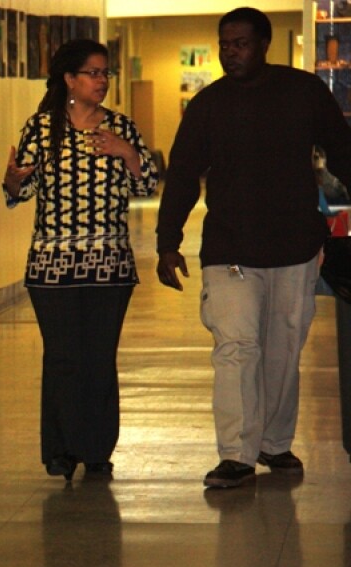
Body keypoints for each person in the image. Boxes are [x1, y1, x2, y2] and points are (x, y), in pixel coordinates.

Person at [155, 7, 351, 488]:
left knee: (284, 350)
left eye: (239, 43)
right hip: (230, 250)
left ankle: (274, 444)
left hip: (295, 248)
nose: (229, 52)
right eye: (224, 44)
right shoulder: (208, 105)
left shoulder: (304, 92)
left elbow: (344, 152)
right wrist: (167, 242)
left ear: (264, 44)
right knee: (237, 349)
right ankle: (237, 455)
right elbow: (182, 175)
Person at [3, 39, 158, 480]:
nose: (101, 81)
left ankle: (96, 451)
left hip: (109, 265)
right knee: (62, 357)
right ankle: (60, 450)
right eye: (93, 73)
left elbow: (147, 185)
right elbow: (20, 193)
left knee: (99, 358)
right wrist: (13, 181)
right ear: (70, 80)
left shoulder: (122, 128)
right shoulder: (41, 128)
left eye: (105, 73)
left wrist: (126, 153)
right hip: (53, 266)